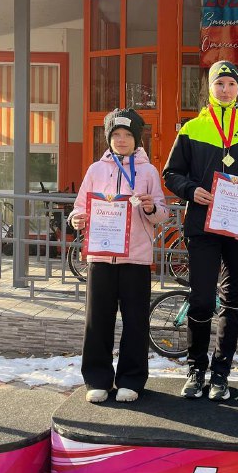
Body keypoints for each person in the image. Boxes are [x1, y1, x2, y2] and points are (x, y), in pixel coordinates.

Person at [163, 60, 238, 401]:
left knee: (233, 300)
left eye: (231, 84)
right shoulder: (192, 129)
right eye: (219, 84)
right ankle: (196, 370)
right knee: (200, 299)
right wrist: (191, 190)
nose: (225, 90)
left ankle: (221, 373)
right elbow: (171, 174)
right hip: (202, 228)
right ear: (209, 88)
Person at [70, 108, 169, 404]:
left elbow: (162, 214)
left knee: (136, 322)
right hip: (101, 258)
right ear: (108, 138)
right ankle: (97, 379)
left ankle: (131, 379)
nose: (122, 140)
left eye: (127, 134)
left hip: (135, 259)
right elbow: (80, 206)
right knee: (97, 321)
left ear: (137, 139)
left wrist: (151, 208)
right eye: (116, 134)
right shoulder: (95, 170)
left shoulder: (149, 172)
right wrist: (77, 219)